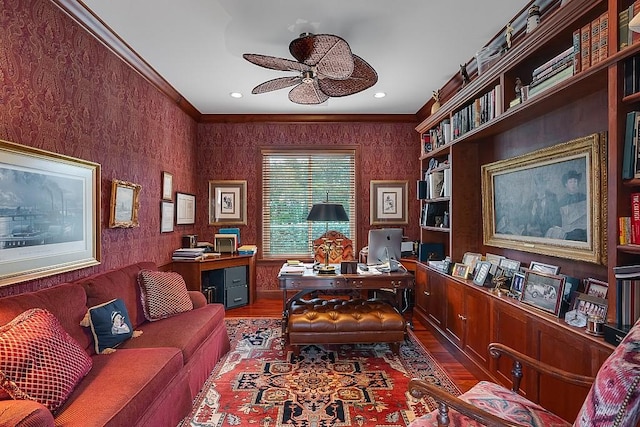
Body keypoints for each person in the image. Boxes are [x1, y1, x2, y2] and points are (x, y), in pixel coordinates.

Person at [546, 170, 587, 241]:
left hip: (584, 231)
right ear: (566, 184)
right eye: (570, 182)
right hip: (569, 233)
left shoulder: (585, 197)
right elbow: (560, 221)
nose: (573, 184)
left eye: (575, 181)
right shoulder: (562, 201)